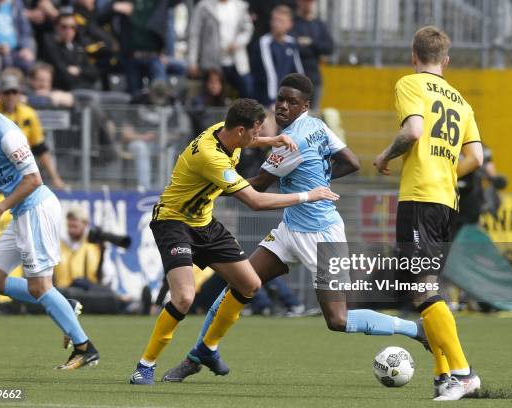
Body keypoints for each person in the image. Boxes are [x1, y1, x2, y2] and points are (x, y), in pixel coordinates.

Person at [160, 74, 427, 383]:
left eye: (291, 102)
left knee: (338, 320)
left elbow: (256, 189)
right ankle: (200, 353)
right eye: (280, 100)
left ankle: (414, 330)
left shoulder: (292, 143)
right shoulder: (318, 126)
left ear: (305, 105)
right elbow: (351, 161)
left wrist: (211, 182)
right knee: (242, 284)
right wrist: (317, 183)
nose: (283, 107)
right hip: (290, 229)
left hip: (323, 235)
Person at [129, 97, 339, 385]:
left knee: (250, 284)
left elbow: (249, 141)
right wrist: (308, 195)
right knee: (185, 297)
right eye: (255, 131)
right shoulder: (210, 156)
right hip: (173, 222)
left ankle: (207, 348)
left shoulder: (225, 131)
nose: (257, 136)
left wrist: (272, 139)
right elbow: (254, 201)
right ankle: (145, 366)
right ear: (241, 130)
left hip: (204, 222)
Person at [371, 26, 483, 400]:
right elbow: (476, 158)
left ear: (413, 56)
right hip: (446, 201)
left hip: (419, 197)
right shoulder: (461, 101)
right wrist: (448, 171)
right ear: (446, 60)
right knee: (426, 287)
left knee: (421, 290)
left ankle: (464, 373)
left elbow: (414, 131)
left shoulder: (411, 83)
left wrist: (385, 156)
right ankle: (443, 376)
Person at [0, 76, 99, 369]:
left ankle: (84, 347)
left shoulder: (8, 134)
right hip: (19, 212)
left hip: (36, 209)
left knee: (40, 287)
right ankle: (63, 304)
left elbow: (34, 179)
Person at [0, 74, 66, 189]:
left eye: (14, 92)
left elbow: (40, 148)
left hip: (21, 169)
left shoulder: (28, 114)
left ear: (19, 94)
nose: (11, 96)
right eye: (7, 93)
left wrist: (55, 178)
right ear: (0, 95)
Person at [188, 0, 254, 98]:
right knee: (212, 97)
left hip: (236, 61)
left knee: (247, 90)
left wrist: (238, 43)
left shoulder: (240, 6)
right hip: (211, 63)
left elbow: (248, 29)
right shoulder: (204, 6)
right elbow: (194, 35)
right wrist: (192, 61)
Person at [251, 5, 304, 106]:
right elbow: (269, 74)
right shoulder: (264, 42)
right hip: (265, 100)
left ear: (289, 24)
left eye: (281, 21)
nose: (276, 24)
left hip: (286, 99)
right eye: (274, 20)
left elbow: (299, 72)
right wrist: (272, 101)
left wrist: (302, 96)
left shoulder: (291, 43)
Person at [291, 0, 334, 109]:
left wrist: (311, 42)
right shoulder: (293, 23)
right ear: (299, 2)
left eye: (310, 2)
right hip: (295, 79)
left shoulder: (319, 24)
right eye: (305, 2)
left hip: (314, 79)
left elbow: (329, 48)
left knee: (313, 115)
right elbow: (294, 48)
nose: (308, 4)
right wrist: (316, 48)